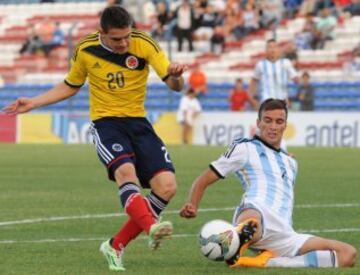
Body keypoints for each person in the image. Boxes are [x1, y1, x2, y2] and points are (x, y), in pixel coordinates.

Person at [3, 6, 186, 272]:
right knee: (126, 173)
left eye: (127, 37)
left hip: (138, 122)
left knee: (167, 186)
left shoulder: (144, 43)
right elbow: (71, 85)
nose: (124, 43)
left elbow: (173, 83)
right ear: (102, 33)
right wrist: (35, 101)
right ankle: (152, 227)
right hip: (106, 124)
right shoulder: (85, 49)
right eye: (117, 39)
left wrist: (177, 77)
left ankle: (115, 245)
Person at [180, 98, 357, 269]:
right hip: (256, 212)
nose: (273, 127)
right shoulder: (245, 148)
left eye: (279, 122)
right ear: (258, 122)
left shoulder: (291, 163)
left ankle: (267, 262)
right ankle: (237, 238)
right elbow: (204, 179)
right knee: (252, 221)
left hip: (285, 234)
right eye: (268, 120)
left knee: (347, 254)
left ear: (285, 125)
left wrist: (286, 157)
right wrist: (193, 204)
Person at [249, 39, 299, 106]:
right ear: (266, 50)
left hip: (282, 100)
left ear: (278, 49)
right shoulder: (260, 64)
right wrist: (252, 98)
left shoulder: (286, 62)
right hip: (266, 100)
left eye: (274, 47)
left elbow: (296, 79)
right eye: (269, 47)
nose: (272, 50)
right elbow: (254, 81)